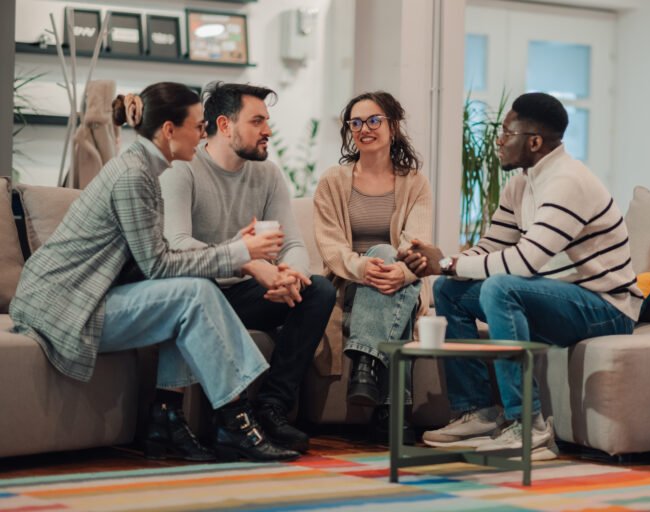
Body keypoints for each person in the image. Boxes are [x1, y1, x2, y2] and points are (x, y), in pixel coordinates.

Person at [9, 82, 300, 463]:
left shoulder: (144, 168)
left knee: (188, 290)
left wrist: (234, 251)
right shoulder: (134, 175)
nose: (203, 134)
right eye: (198, 126)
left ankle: (167, 420)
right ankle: (236, 421)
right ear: (169, 130)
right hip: (65, 306)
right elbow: (158, 264)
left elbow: (160, 261)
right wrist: (238, 254)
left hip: (84, 296)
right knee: (192, 293)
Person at [400, 92, 640, 460]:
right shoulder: (521, 184)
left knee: (500, 287)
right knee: (449, 290)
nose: (498, 140)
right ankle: (478, 412)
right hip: (566, 299)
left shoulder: (567, 182)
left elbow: (525, 262)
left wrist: (445, 263)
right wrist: (443, 264)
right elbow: (492, 247)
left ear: (534, 141)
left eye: (506, 132)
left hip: (607, 308)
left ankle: (529, 427)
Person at [160, 82, 335, 454]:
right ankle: (231, 423)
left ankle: (271, 409)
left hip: (246, 294)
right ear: (224, 125)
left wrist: (290, 276)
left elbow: (292, 243)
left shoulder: (267, 174)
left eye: (267, 121)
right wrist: (250, 263)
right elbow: (177, 246)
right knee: (200, 290)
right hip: (201, 293)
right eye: (257, 121)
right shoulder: (183, 169)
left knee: (318, 289)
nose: (268, 130)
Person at [313, 91, 432, 442]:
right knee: (383, 252)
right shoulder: (333, 182)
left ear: (393, 126)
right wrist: (366, 268)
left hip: (400, 283)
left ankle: (366, 367)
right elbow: (330, 246)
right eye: (357, 122)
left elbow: (418, 244)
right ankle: (394, 413)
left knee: (394, 265)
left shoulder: (415, 183)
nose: (365, 128)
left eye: (374, 120)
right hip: (348, 286)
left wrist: (404, 272)